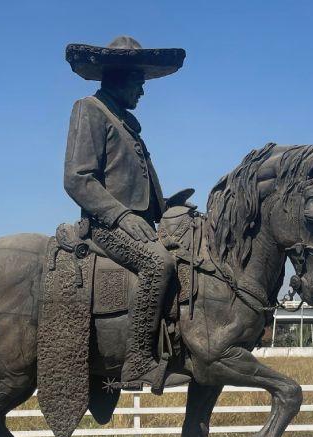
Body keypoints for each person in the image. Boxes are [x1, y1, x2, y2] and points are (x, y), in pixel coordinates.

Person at [63, 36, 185, 390]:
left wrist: (172, 208)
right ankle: (137, 363)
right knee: (158, 264)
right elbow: (77, 179)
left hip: (141, 224)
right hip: (106, 226)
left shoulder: (126, 123)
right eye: (138, 83)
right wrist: (121, 215)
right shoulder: (90, 110)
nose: (142, 92)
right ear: (118, 76)